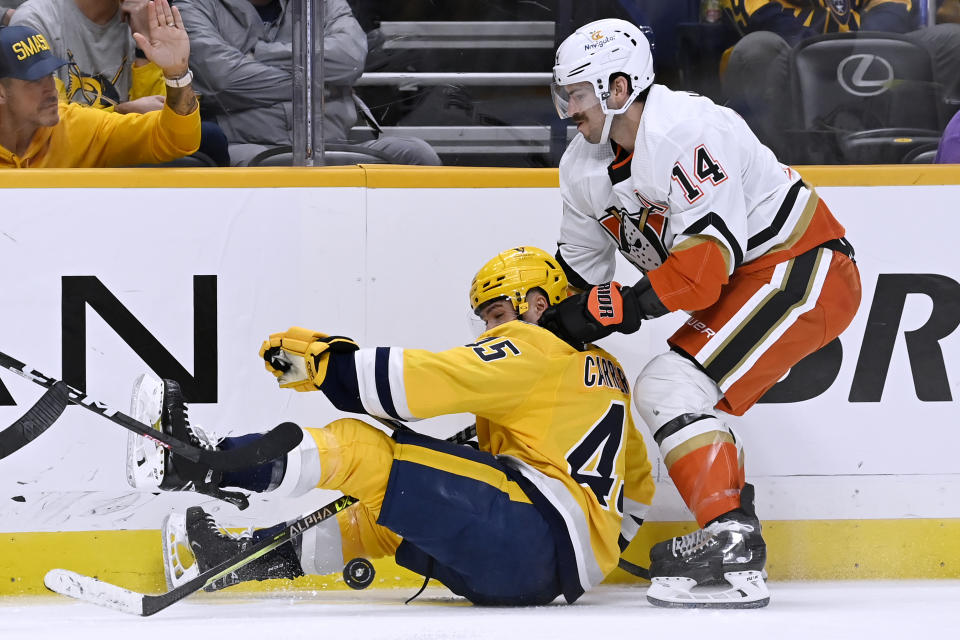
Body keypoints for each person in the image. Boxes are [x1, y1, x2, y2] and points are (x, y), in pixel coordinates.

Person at [540, 19, 862, 608]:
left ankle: (730, 535)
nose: (568, 109)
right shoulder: (580, 168)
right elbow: (578, 284)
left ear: (617, 89)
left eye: (578, 93)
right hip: (754, 280)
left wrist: (617, 309)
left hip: (802, 266)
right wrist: (539, 331)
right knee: (673, 388)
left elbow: (701, 273)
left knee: (668, 384)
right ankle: (731, 527)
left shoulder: (686, 130)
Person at [129, 246, 655, 606]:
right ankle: (235, 559)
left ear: (536, 305)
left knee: (363, 449)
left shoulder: (534, 345)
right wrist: (595, 550)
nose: (492, 330)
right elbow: (639, 484)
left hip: (528, 536)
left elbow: (422, 383)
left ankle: (195, 462)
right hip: (550, 574)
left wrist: (321, 363)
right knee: (384, 512)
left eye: (497, 314)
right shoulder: (608, 372)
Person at [174, 0, 439, 166]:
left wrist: (261, 54)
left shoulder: (323, 3)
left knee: (416, 154)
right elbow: (225, 80)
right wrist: (322, 84)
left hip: (332, 143)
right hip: (246, 146)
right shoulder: (192, 7)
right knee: (267, 166)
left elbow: (350, 59)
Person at [719, 0, 960, 159]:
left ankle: (929, 157)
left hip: (867, 53)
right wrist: (836, 54)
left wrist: (862, 45)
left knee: (953, 41)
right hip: (794, 65)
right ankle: (777, 172)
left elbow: (891, 8)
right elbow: (775, 22)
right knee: (756, 50)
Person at [10, 0, 229, 165]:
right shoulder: (37, 19)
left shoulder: (144, 16)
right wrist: (122, 111)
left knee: (208, 138)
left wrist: (147, 48)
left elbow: (166, 121)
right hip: (64, 159)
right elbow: (45, 118)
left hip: (123, 149)